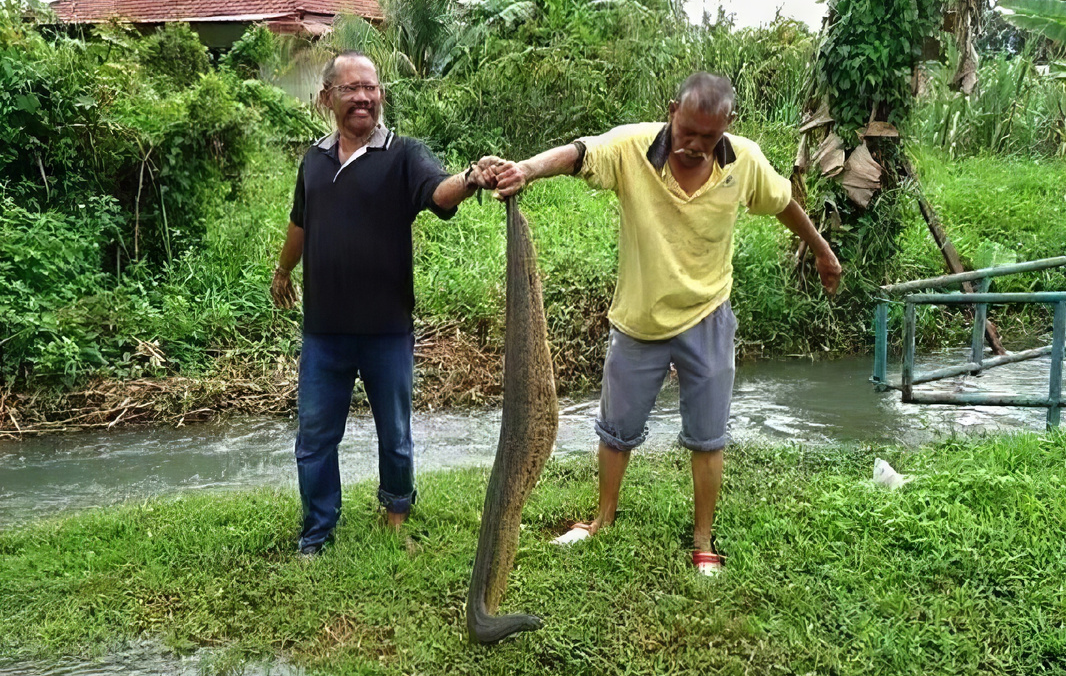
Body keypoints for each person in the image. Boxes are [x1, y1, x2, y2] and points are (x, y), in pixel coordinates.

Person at [490, 71, 841, 574]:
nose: (696, 146)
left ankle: (703, 540)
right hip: (639, 319)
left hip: (708, 316)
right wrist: (525, 168)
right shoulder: (633, 147)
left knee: (708, 436)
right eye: (687, 132)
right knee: (616, 429)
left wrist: (823, 252)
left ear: (728, 125)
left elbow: (784, 204)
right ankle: (602, 518)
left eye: (709, 136)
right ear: (672, 110)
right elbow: (580, 152)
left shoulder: (744, 159)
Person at [272, 50, 497, 555]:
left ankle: (396, 517)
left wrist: (471, 179)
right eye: (351, 88)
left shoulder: (403, 155)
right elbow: (300, 221)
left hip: (386, 329)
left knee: (395, 434)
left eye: (370, 88)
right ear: (327, 96)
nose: (363, 98)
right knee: (313, 440)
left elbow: (438, 193)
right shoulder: (314, 158)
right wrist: (283, 270)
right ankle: (317, 533)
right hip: (324, 332)